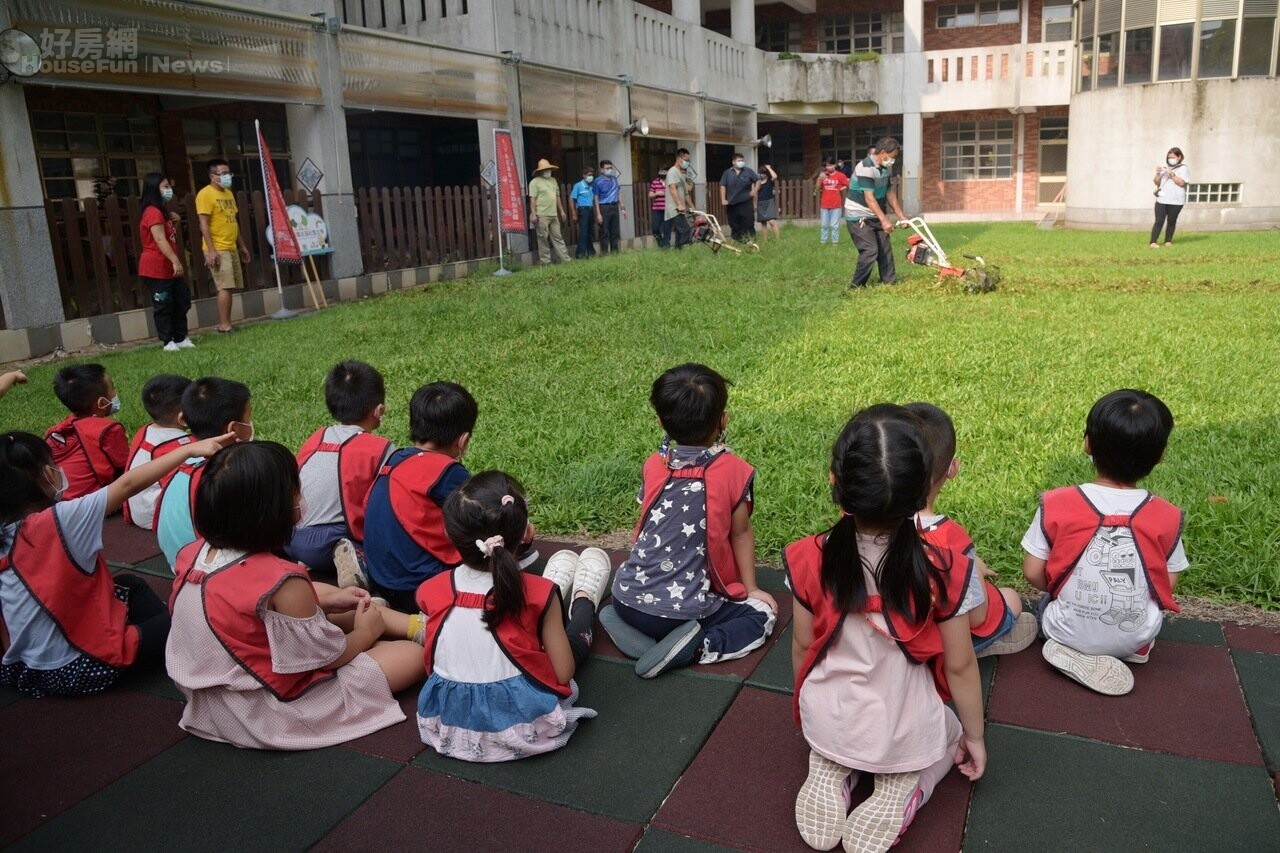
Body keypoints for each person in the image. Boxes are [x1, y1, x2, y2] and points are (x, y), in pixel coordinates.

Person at [788, 405, 985, 852]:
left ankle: (833, 762)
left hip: (828, 718)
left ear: (835, 482)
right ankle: (908, 788)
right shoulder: (948, 569)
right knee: (950, 732)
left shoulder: (806, 557)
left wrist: (806, 710)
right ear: (923, 492)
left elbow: (804, 647)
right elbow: (960, 667)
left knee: (839, 726)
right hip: (903, 728)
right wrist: (973, 736)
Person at [166, 441, 424, 750]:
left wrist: (326, 603)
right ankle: (419, 629)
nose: (300, 498)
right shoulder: (284, 581)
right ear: (272, 509)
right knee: (411, 656)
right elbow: (330, 657)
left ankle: (409, 625)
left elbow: (248, 602)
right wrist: (367, 634)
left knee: (335, 600)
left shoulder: (192, 555)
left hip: (211, 707)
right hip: (271, 711)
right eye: (295, 489)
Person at [0, 428, 233, 698]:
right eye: (52, 465)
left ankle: (168, 636)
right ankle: (181, 641)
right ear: (44, 477)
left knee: (127, 585)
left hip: (22, 669)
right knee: (189, 622)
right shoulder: (60, 521)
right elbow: (127, 485)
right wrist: (189, 450)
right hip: (79, 668)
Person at [416, 471, 612, 761]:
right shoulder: (538, 593)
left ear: (448, 534)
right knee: (568, 638)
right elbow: (562, 672)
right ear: (526, 534)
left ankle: (563, 599)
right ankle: (584, 599)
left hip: (449, 723)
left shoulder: (431, 590)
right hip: (522, 726)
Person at [599, 363, 777, 679]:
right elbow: (740, 534)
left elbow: (646, 523)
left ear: (660, 423)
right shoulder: (735, 471)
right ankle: (697, 646)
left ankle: (633, 627)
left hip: (626, 595)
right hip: (683, 613)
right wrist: (750, 588)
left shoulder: (654, 464)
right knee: (761, 614)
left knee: (640, 604)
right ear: (723, 419)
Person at [1022, 389, 1187, 697]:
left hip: (1067, 627)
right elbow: (1168, 579)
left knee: (1045, 607)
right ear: (1161, 455)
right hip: (1136, 632)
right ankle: (1133, 648)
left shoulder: (1057, 503)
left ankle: (1062, 642)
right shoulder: (1167, 516)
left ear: (1088, 444)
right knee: (1138, 614)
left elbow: (1032, 571)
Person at [904, 402, 1038, 658]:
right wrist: (973, 569)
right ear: (952, 469)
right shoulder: (952, 538)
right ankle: (979, 648)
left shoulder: (865, 522)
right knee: (1011, 598)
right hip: (935, 644)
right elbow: (976, 615)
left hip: (889, 633)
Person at [358, 382, 477, 612]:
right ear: (462, 441)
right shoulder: (449, 472)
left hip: (380, 580)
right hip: (421, 589)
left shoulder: (393, 461)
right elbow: (480, 520)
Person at [289, 360, 395, 576]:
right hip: (332, 539)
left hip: (291, 536)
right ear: (379, 410)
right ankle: (357, 560)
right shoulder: (381, 448)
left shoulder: (317, 437)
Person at [155, 376, 254, 568]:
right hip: (209, 570)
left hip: (176, 563)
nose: (251, 422)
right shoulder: (228, 473)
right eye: (248, 417)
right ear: (233, 428)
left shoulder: (181, 463)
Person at [44, 364, 129, 501]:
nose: (115, 391)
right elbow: (128, 470)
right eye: (112, 387)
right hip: (94, 506)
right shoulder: (108, 430)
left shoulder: (56, 431)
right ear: (101, 403)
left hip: (57, 505)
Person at [123, 374, 194, 530]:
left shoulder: (145, 431)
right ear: (183, 418)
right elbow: (184, 489)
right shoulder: (181, 447)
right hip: (156, 517)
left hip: (137, 509)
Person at [138, 172, 194, 352]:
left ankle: (180, 337)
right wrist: (176, 261)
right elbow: (160, 240)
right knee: (163, 304)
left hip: (168, 265)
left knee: (181, 299)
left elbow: (168, 237)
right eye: (165, 187)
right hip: (156, 267)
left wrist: (174, 222)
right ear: (155, 189)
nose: (169, 190)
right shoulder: (152, 212)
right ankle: (167, 340)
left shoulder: (162, 212)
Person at [196, 159, 251, 334]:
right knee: (224, 286)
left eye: (229, 173)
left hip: (231, 246)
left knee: (230, 286)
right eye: (223, 173)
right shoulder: (205, 194)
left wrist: (241, 245)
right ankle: (224, 325)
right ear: (213, 176)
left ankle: (227, 323)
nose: (228, 176)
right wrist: (211, 250)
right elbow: (203, 224)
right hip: (217, 247)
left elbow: (232, 221)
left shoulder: (228, 193)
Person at [846, 138, 908, 288]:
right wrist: (885, 220)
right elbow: (870, 198)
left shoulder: (884, 168)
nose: (893, 160)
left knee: (884, 248)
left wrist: (902, 216)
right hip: (858, 215)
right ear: (882, 153)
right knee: (870, 250)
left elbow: (889, 193)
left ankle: (889, 281)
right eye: (892, 156)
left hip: (874, 213)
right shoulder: (865, 167)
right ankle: (856, 286)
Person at [527, 158, 571, 265]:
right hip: (541, 214)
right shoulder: (534, 182)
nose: (548, 171)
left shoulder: (553, 181)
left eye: (549, 169)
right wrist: (533, 214)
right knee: (543, 238)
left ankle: (565, 259)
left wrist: (561, 211)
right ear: (540, 171)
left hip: (553, 213)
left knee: (558, 237)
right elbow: (532, 199)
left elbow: (557, 197)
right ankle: (545, 261)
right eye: (545, 170)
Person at [1150, 147, 1189, 248]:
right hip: (1162, 199)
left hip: (1176, 200)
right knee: (1159, 220)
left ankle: (1168, 240)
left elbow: (1181, 183)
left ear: (1179, 157)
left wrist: (1171, 174)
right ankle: (1153, 242)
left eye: (1172, 157)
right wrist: (1158, 173)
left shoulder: (1183, 168)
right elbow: (1156, 182)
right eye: (1169, 157)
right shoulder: (1164, 166)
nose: (1170, 159)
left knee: (1172, 221)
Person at [718, 153, 760, 243]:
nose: (741, 162)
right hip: (732, 204)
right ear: (733, 162)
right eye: (739, 161)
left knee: (748, 224)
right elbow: (722, 186)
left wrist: (755, 190)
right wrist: (723, 199)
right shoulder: (727, 173)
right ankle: (738, 243)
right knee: (735, 225)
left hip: (746, 203)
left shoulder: (748, 171)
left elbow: (758, 180)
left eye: (742, 160)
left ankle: (751, 243)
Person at [593, 159, 626, 255]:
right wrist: (598, 214)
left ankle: (615, 252)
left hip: (614, 206)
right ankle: (604, 253)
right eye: (607, 168)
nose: (610, 170)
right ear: (601, 169)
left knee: (615, 232)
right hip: (604, 207)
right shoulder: (597, 181)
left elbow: (618, 193)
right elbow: (596, 198)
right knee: (604, 232)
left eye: (611, 168)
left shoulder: (614, 179)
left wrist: (622, 208)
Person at [666, 148, 695, 250]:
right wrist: (679, 204)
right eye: (686, 160)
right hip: (675, 208)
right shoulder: (672, 171)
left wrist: (693, 207)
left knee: (679, 233)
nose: (687, 162)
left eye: (688, 160)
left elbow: (686, 194)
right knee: (686, 230)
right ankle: (687, 250)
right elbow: (672, 188)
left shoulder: (681, 174)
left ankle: (678, 252)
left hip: (681, 209)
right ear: (679, 158)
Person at [817, 158, 850, 245]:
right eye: (827, 166)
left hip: (836, 204)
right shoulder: (823, 175)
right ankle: (823, 241)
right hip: (824, 204)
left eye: (830, 165)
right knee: (824, 225)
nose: (828, 167)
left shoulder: (840, 176)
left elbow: (848, 184)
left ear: (835, 165)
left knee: (835, 225)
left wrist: (842, 188)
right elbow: (817, 188)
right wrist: (819, 179)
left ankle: (835, 242)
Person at [569, 167, 597, 259]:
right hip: (583, 210)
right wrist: (573, 213)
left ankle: (591, 252)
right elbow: (571, 199)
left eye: (592, 175)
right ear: (584, 175)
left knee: (590, 232)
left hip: (590, 209)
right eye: (589, 175)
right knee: (583, 232)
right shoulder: (578, 185)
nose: (591, 177)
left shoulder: (592, 185)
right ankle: (580, 254)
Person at [756, 163, 782, 241]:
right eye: (761, 173)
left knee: (772, 222)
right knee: (763, 223)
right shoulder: (758, 182)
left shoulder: (769, 181)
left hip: (769, 202)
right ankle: (765, 240)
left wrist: (769, 168)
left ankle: (778, 239)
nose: (762, 175)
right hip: (760, 203)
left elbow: (775, 176)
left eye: (764, 173)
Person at [649, 165, 670, 249]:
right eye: (661, 171)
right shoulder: (655, 182)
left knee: (667, 229)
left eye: (665, 171)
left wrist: (666, 193)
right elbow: (650, 195)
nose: (663, 172)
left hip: (668, 209)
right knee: (655, 228)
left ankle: (666, 247)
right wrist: (657, 193)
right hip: (657, 209)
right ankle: (661, 243)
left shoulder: (670, 182)